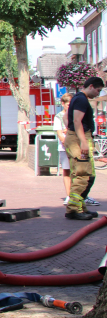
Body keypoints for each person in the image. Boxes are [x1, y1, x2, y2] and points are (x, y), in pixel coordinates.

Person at [64, 77, 104, 220]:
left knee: (87, 175)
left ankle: (80, 207)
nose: (98, 94)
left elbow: (67, 119)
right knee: (82, 175)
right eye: (98, 90)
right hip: (78, 139)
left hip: (76, 137)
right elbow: (76, 121)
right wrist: (83, 142)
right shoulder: (81, 100)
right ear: (91, 86)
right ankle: (73, 209)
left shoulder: (78, 98)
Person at [54, 93, 72, 203]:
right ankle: (69, 195)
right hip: (65, 148)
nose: (69, 106)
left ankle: (79, 195)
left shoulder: (76, 115)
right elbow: (60, 134)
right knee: (67, 171)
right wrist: (67, 144)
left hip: (76, 147)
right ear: (63, 104)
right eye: (68, 104)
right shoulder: (58, 117)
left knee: (77, 172)